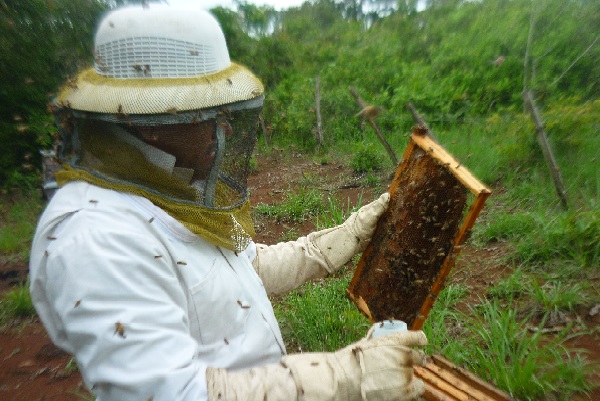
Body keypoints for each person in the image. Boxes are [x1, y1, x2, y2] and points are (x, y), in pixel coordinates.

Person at [29, 4, 428, 401]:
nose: (226, 127)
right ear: (151, 123)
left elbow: (250, 261)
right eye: (209, 114)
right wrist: (342, 376)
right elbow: (168, 393)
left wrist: (339, 241)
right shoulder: (94, 236)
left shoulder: (184, 188)